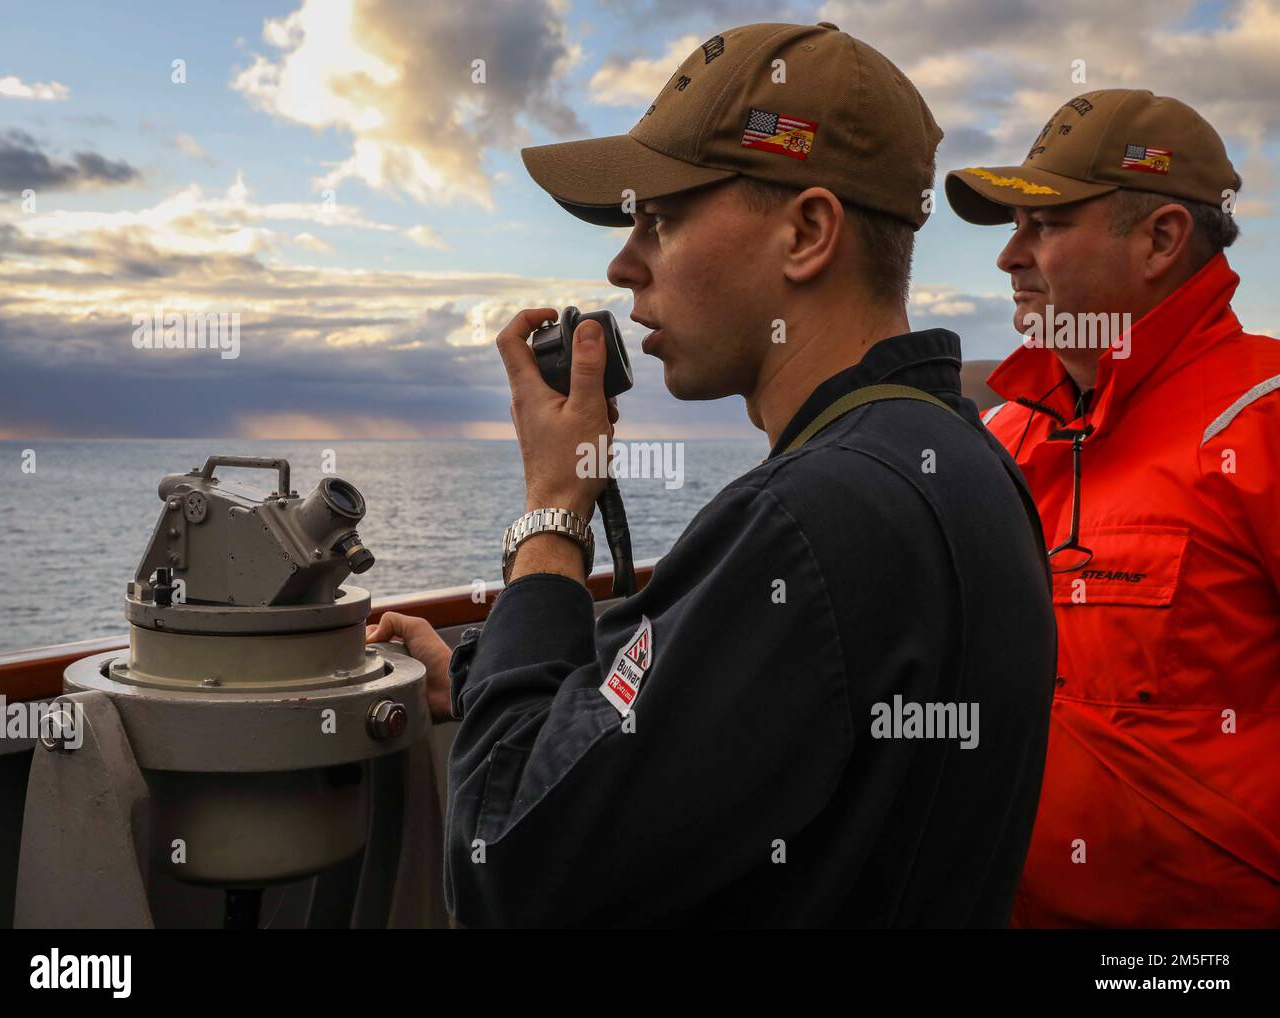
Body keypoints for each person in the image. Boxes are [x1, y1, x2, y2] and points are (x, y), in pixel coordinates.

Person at [370, 20, 1055, 927]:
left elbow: (506, 866)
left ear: (808, 232)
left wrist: (554, 513)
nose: (624, 264)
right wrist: (493, 669)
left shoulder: (806, 522)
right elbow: (751, 723)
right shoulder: (965, 463)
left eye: (662, 217)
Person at [946, 88, 1280, 927]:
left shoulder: (1266, 422)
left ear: (1161, 239)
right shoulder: (1007, 434)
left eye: (1044, 226)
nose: (1008, 259)